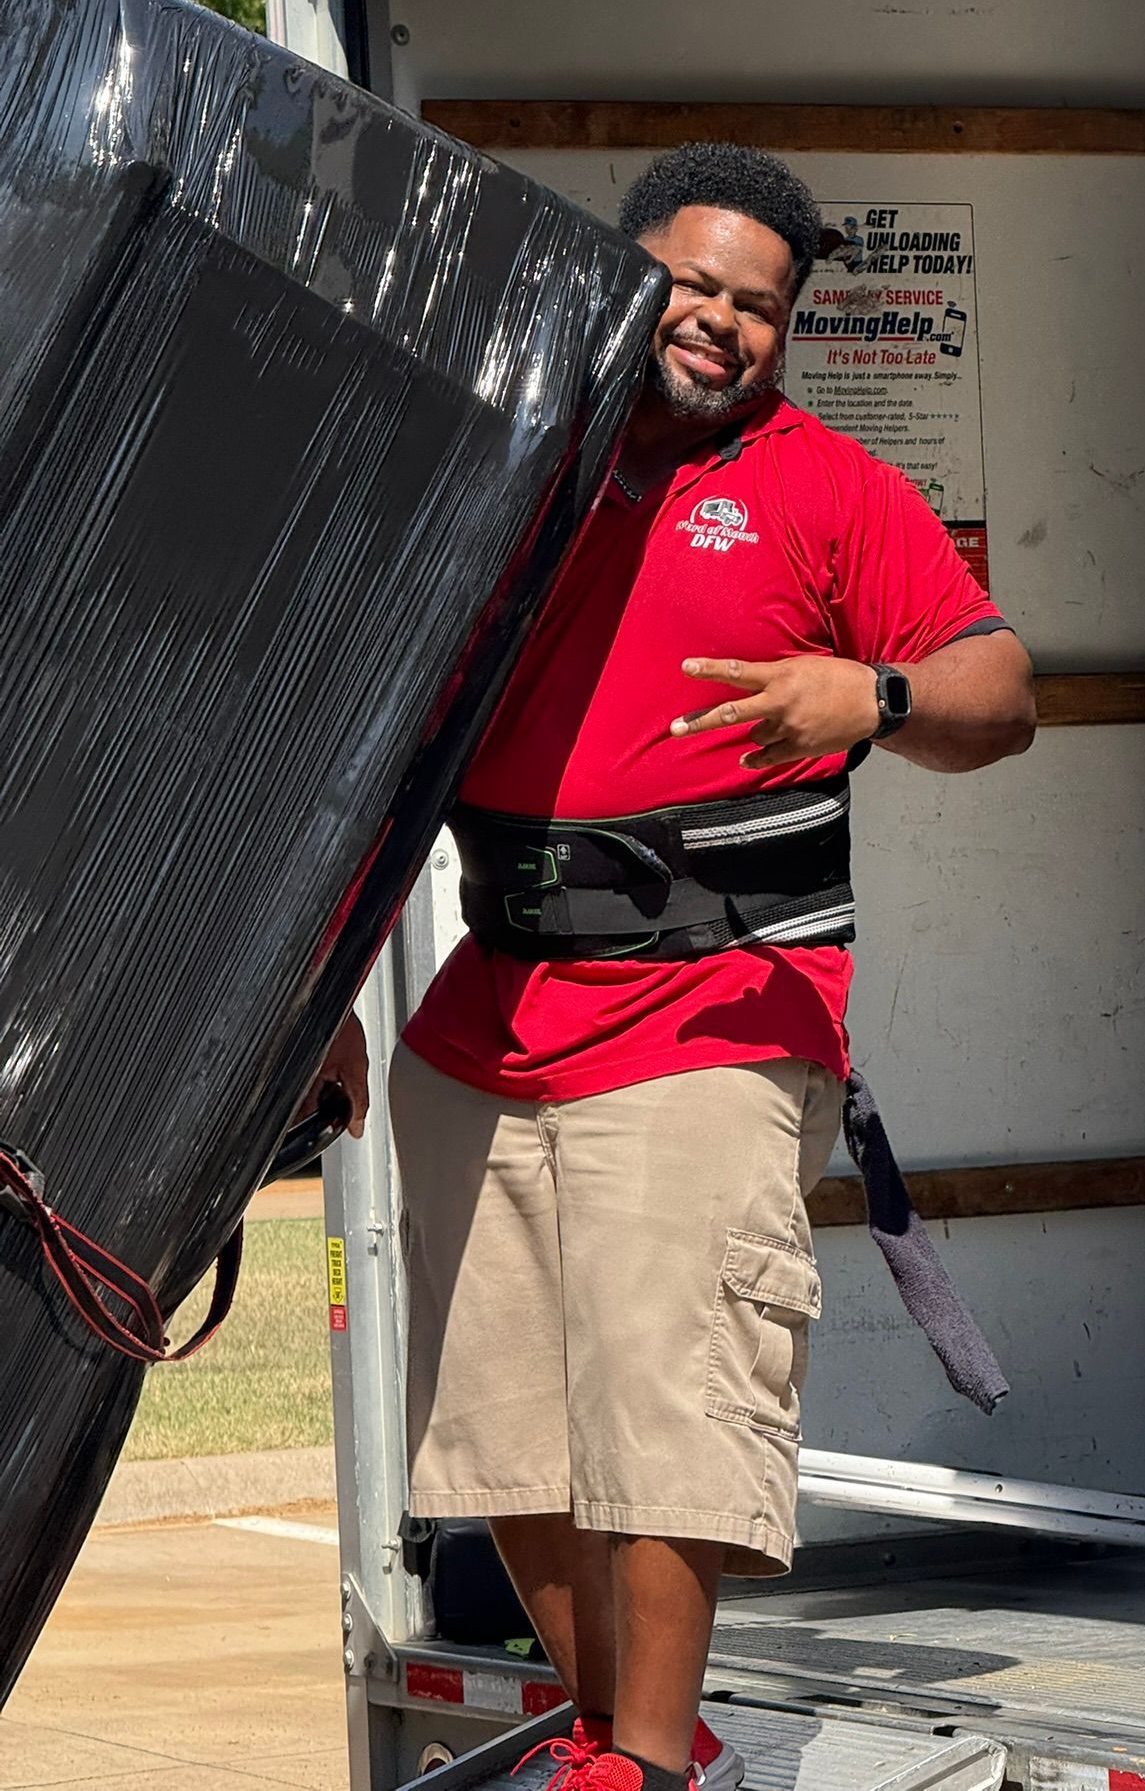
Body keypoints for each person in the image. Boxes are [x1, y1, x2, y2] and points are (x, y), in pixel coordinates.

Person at [307, 144, 1035, 1791]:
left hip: (714, 1011)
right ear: (621, 276)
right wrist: (321, 1011)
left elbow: (1004, 688)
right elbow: (366, 758)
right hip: (486, 1011)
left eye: (760, 307)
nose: (721, 324)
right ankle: (616, 1732)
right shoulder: (507, 470)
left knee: (668, 1404)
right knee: (502, 1423)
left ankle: (640, 1764)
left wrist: (879, 700)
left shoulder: (825, 489)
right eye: (695, 285)